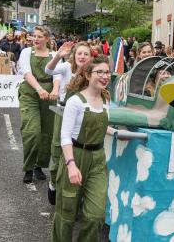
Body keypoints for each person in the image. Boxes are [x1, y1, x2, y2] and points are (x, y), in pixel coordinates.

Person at [51, 55, 116, 241]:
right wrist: (71, 164)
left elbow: (103, 127)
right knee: (66, 214)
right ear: (88, 75)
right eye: (100, 72)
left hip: (97, 160)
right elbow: (65, 136)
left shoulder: (106, 100)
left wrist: (118, 133)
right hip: (75, 157)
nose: (105, 76)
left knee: (96, 215)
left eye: (107, 72)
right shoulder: (76, 101)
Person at [45, 41, 92, 205]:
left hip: (81, 116)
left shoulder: (91, 73)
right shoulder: (66, 68)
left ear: (90, 57)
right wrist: (58, 55)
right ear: (74, 55)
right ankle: (53, 181)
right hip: (62, 113)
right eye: (79, 53)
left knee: (77, 152)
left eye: (86, 54)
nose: (82, 56)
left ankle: (74, 193)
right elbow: (48, 70)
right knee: (58, 151)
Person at [18, 26, 57, 183]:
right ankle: (28, 167)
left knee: (47, 133)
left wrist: (55, 89)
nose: (36, 39)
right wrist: (39, 88)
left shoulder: (54, 55)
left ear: (47, 39)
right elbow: (26, 72)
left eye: (40, 36)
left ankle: (39, 165)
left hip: (48, 96)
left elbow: (58, 75)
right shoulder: (27, 52)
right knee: (31, 131)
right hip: (30, 93)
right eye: (34, 36)